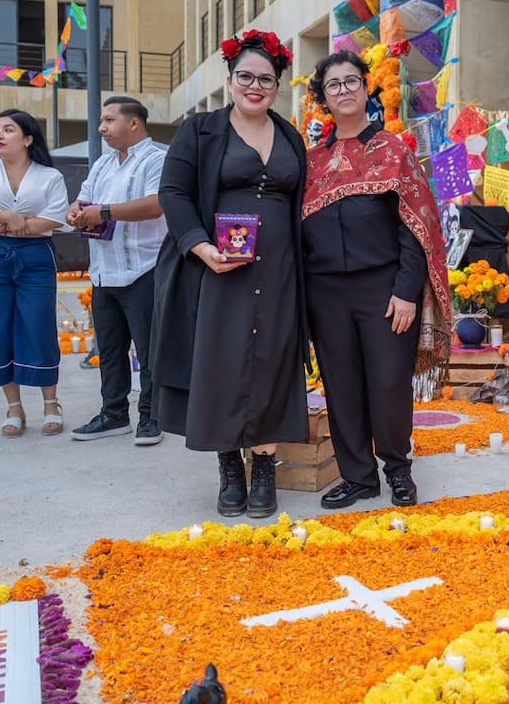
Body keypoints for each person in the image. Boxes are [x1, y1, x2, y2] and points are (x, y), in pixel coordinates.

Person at [152, 30, 309, 518]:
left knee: (273, 358)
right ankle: (229, 467)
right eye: (246, 76)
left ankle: (264, 466)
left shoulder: (289, 135)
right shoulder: (199, 130)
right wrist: (199, 246)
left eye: (265, 78)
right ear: (229, 79)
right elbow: (173, 193)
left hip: (280, 269)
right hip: (218, 269)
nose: (255, 86)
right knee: (222, 360)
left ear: (278, 84)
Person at [303, 51, 451, 509]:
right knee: (341, 384)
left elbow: (417, 225)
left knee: (388, 382)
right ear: (322, 97)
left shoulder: (393, 150)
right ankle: (358, 477)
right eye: (334, 84)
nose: (344, 90)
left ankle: (397, 470)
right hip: (325, 291)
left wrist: (406, 292)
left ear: (366, 89)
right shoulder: (309, 161)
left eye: (352, 81)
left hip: (384, 291)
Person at [0, 109, 69, 436]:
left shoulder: (49, 177)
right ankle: (14, 406)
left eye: (8, 129)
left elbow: (56, 217)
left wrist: (22, 225)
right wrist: (8, 217)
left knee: (38, 326)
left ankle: (51, 402)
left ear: (28, 138)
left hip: (35, 257)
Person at [67, 96, 167, 447]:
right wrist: (76, 212)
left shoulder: (159, 159)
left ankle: (152, 417)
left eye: (109, 120)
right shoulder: (103, 164)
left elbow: (156, 205)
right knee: (109, 349)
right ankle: (113, 414)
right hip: (104, 272)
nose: (102, 128)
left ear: (134, 123)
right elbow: (83, 198)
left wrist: (104, 212)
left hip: (145, 269)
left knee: (150, 349)